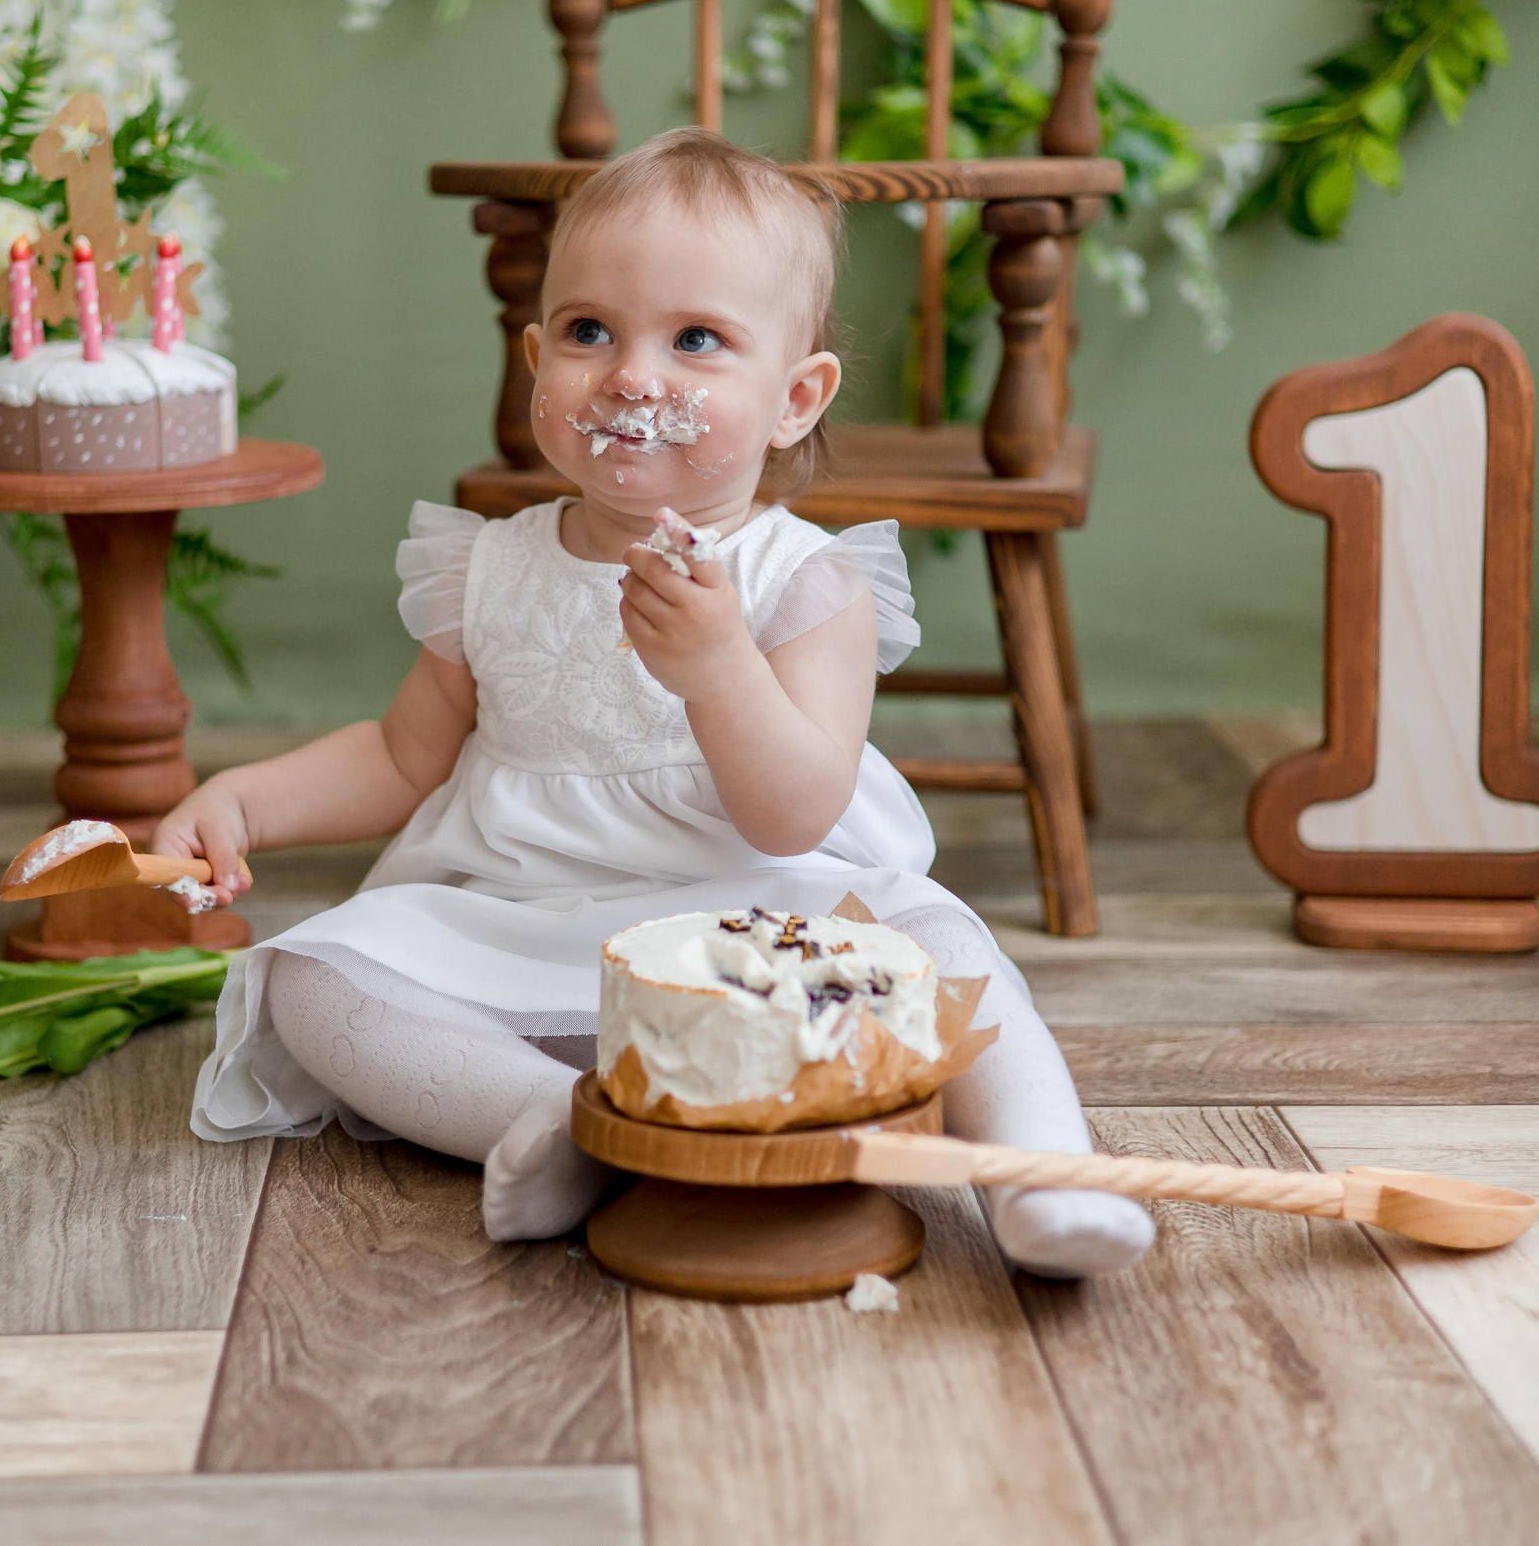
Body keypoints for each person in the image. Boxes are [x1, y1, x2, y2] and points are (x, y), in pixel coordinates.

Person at [158, 127, 1151, 1276]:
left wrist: (721, 667)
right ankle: (555, 1120)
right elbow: (399, 756)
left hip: (765, 932)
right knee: (315, 983)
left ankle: (1041, 1176)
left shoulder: (805, 582)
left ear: (794, 397)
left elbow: (793, 812)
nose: (633, 376)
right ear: (536, 360)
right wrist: (247, 803)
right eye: (589, 332)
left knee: (943, 942)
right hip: (531, 926)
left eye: (696, 340)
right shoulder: (489, 566)